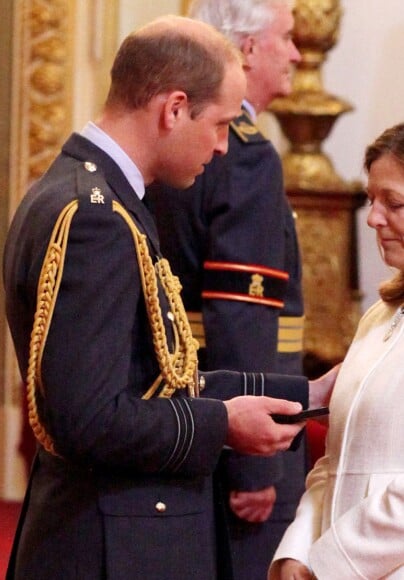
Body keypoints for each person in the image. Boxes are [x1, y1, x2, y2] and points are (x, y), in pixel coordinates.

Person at [3, 15, 334, 580]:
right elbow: (90, 419)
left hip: (116, 526)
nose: (224, 146)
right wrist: (221, 426)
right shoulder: (95, 219)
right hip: (112, 540)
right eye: (221, 124)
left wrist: (304, 391)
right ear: (174, 109)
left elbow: (155, 376)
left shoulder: (100, 196)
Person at [145, 1, 304, 577]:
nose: (296, 54)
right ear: (250, 48)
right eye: (286, 38)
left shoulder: (166, 138)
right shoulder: (246, 159)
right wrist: (255, 466)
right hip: (238, 419)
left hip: (181, 404)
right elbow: (243, 318)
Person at [270, 122, 404, 579]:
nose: (373, 218)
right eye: (371, 199)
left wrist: (327, 566)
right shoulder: (377, 319)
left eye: (394, 203)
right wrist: (297, 552)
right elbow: (335, 458)